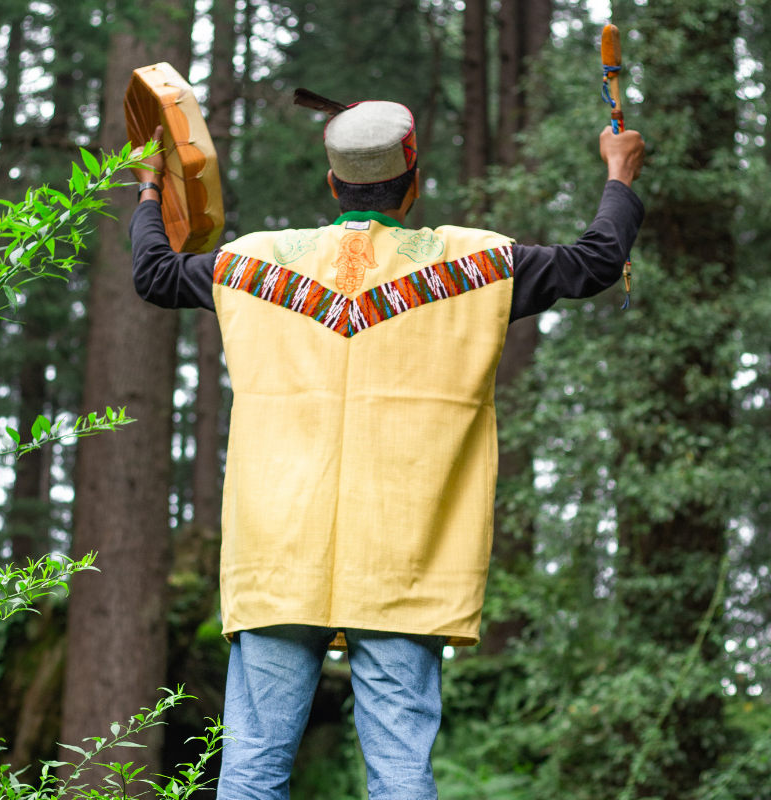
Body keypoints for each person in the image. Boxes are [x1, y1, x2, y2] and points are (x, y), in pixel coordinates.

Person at [129, 98, 645, 800]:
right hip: (405, 558)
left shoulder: (254, 266)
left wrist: (152, 186)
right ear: (414, 182)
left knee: (251, 772)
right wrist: (619, 172)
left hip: (280, 556)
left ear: (333, 184)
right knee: (401, 772)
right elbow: (596, 260)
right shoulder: (473, 264)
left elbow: (154, 273)